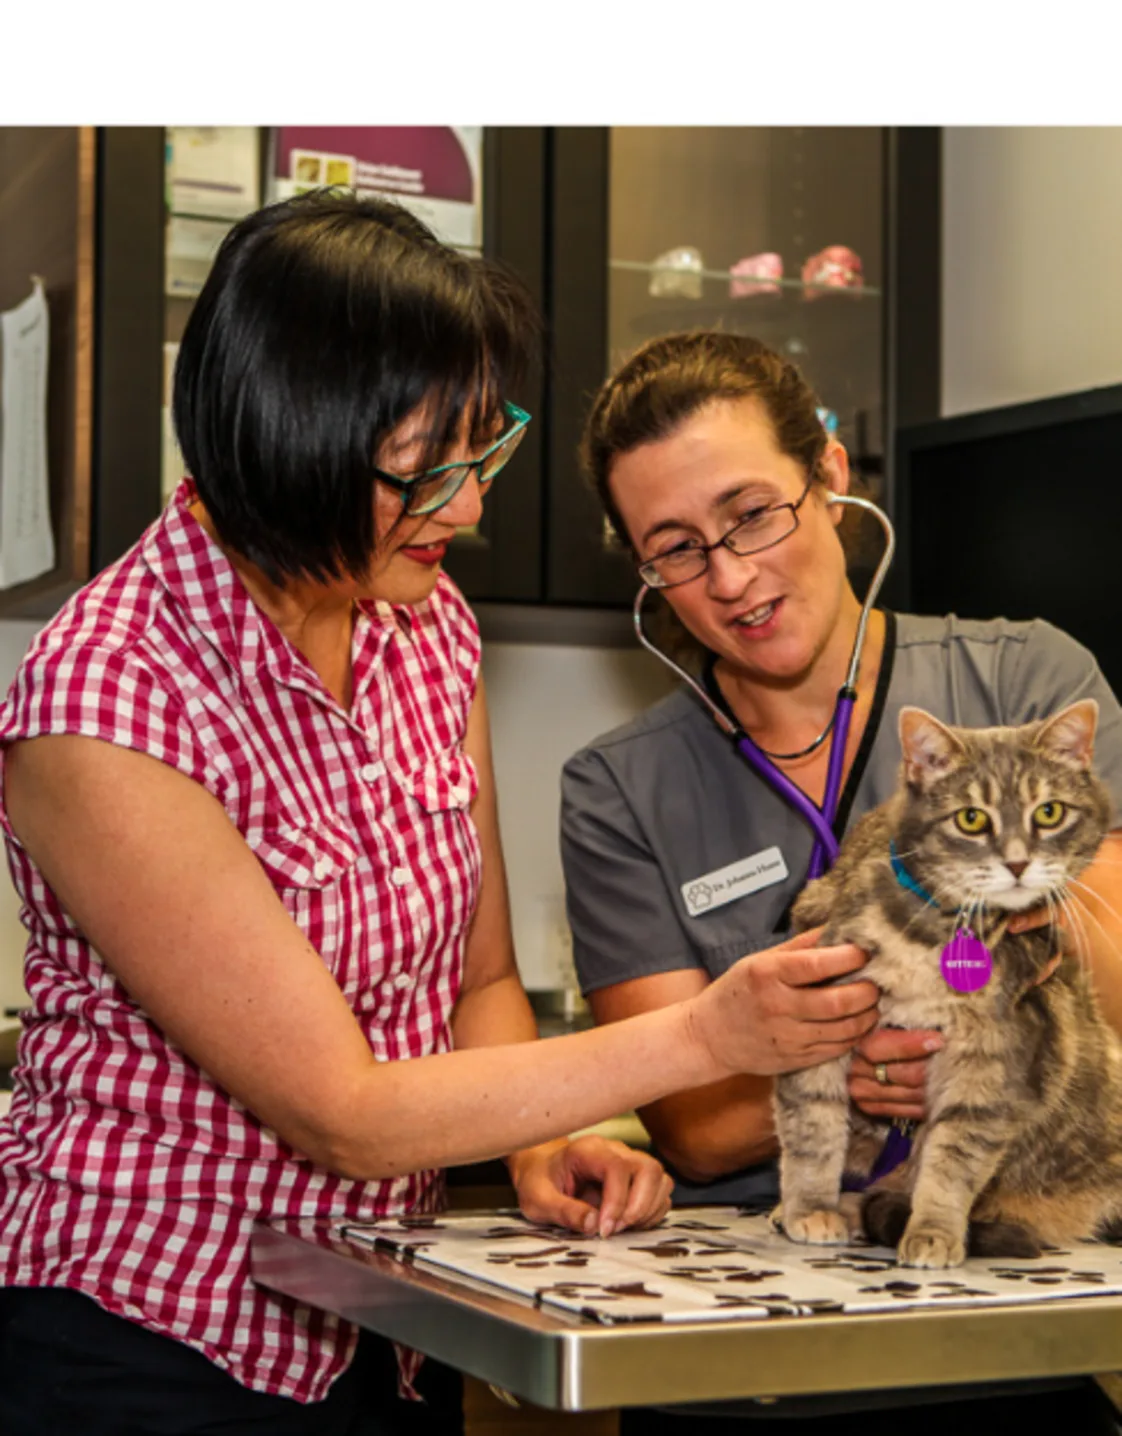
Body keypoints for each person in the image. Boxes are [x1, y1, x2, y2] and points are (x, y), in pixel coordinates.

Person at [0, 199, 886, 1436]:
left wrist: (540, 1145)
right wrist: (709, 1032)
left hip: (388, 1307)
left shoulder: (425, 624)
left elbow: (479, 981)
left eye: (484, 451)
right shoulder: (107, 697)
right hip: (151, 1330)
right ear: (293, 444)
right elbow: (346, 1110)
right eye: (428, 470)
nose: (467, 510)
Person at [560, 330, 1122, 1433]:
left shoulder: (1023, 681)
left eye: (751, 514)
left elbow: (1119, 978)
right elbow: (697, 1130)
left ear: (828, 471)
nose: (730, 578)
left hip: (1008, 1338)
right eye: (675, 549)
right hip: (736, 1361)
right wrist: (850, 1068)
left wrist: (985, 962)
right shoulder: (620, 786)